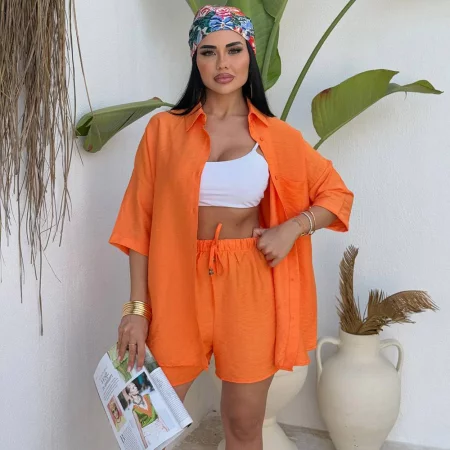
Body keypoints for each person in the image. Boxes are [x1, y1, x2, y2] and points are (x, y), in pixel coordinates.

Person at [110, 5, 354, 449]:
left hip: (249, 287)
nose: (222, 63)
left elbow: (335, 194)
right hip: (176, 284)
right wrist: (136, 311)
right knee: (146, 427)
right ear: (195, 59)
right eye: (209, 51)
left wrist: (292, 229)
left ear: (250, 55)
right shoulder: (163, 131)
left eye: (234, 50)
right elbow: (138, 223)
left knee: (243, 425)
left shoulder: (278, 137)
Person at [125, 382, 158, 448]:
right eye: (133, 388)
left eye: (135, 386)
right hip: (149, 433)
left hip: (158, 426)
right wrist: (146, 446)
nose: (136, 387)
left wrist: (165, 427)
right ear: (130, 394)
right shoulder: (134, 410)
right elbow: (139, 429)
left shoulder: (146, 397)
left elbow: (156, 413)